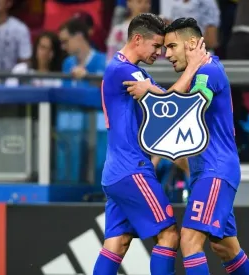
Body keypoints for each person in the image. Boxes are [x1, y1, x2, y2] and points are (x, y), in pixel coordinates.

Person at [125, 17, 249, 275]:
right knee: (225, 249)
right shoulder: (198, 74)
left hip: (215, 172)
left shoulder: (208, 71)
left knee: (189, 240)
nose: (166, 54)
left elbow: (192, 109)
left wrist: (151, 92)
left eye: (172, 46)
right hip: (204, 173)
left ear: (193, 43)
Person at [93, 13, 208, 275]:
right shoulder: (125, 70)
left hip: (116, 171)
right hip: (132, 169)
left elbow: (166, 100)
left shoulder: (127, 69)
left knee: (118, 243)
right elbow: (170, 105)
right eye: (156, 46)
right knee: (168, 235)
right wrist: (192, 67)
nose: (161, 52)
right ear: (136, 39)